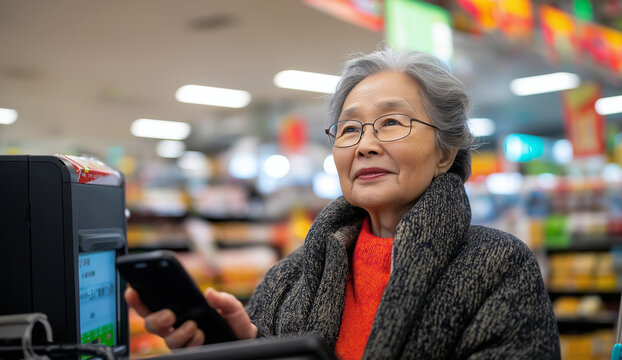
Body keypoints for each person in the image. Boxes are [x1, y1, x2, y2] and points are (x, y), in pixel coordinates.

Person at [125, 48, 561, 359]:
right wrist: (239, 345)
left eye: (391, 122)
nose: (365, 145)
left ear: (445, 153)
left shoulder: (498, 265)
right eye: (350, 129)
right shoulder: (286, 280)